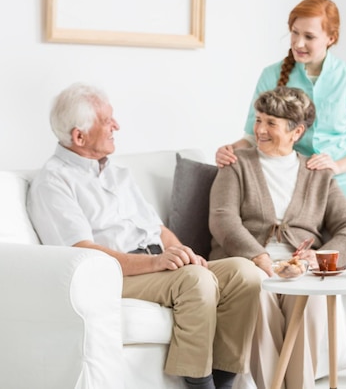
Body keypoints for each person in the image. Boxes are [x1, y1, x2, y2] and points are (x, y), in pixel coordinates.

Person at [215, 0, 346, 384]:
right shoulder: (274, 74)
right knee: (339, 271)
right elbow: (259, 132)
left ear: (331, 38)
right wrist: (230, 149)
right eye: (294, 34)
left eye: (309, 36)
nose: (298, 43)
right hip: (304, 187)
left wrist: (337, 164)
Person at [27, 83, 263, 389]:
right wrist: (158, 264)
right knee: (196, 280)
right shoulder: (53, 181)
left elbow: (159, 230)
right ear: (78, 136)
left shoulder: (117, 171)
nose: (116, 126)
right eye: (107, 121)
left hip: (158, 265)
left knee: (245, 273)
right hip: (116, 275)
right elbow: (84, 254)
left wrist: (184, 253)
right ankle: (199, 385)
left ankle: (224, 381)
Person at [209, 86, 346, 389]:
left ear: (297, 131)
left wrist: (321, 257)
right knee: (256, 293)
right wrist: (259, 255)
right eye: (258, 120)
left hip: (301, 267)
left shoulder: (316, 174)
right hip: (248, 263)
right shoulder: (236, 164)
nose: (260, 130)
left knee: (311, 299)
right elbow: (222, 219)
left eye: (271, 123)